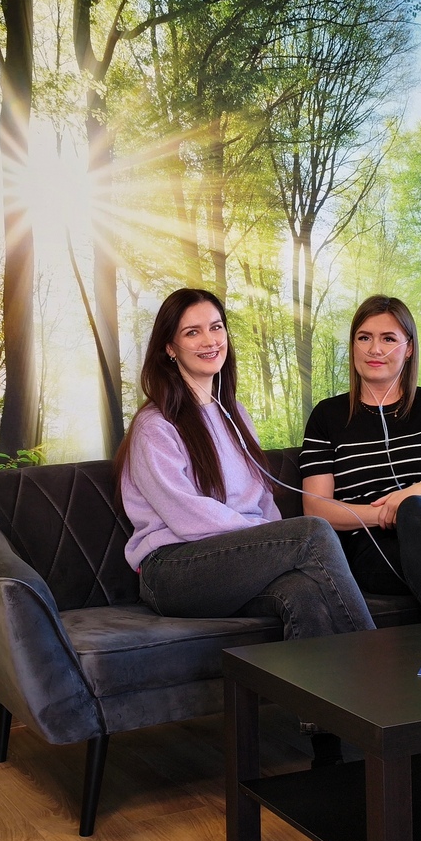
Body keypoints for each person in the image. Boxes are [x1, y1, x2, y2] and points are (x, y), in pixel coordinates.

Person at [115, 288, 375, 765]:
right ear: (169, 348)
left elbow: (263, 503)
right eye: (192, 332)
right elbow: (186, 515)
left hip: (233, 565)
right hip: (172, 571)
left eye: (216, 327)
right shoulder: (155, 425)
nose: (210, 340)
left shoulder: (234, 414)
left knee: (304, 592)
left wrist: (274, 545)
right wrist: (270, 541)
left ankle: (328, 754)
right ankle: (385, 685)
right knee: (313, 531)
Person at [299, 294, 421, 622]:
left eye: (388, 339)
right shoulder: (327, 416)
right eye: (364, 338)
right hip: (376, 548)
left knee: (418, 507)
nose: (375, 349)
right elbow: (316, 508)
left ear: (409, 348)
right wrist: (389, 513)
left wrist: (420, 493)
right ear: (353, 346)